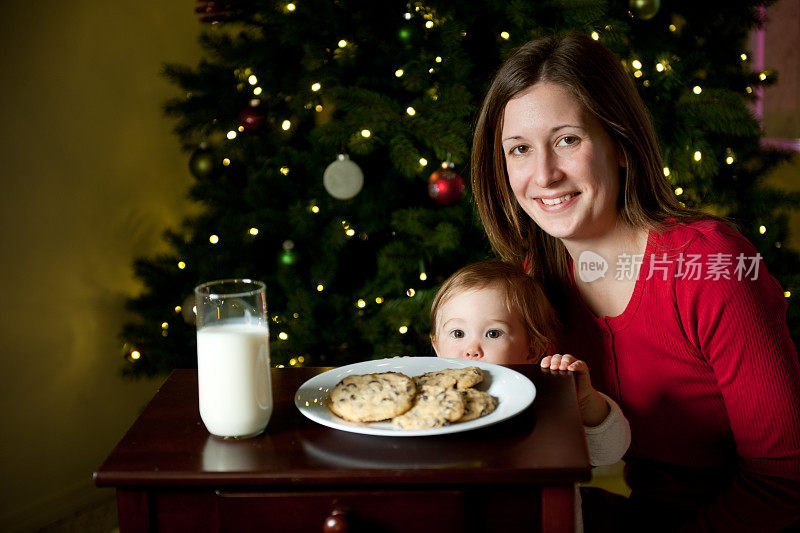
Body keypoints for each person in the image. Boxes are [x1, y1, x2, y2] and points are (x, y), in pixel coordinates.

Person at [470, 33, 800, 532]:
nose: (544, 174)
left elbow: (785, 482)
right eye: (519, 149)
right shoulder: (538, 281)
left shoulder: (711, 267)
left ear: (620, 145)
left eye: (568, 140)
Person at [430, 259, 632, 531]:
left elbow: (610, 452)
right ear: (436, 346)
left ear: (533, 349)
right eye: (457, 333)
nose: (471, 349)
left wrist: (584, 399)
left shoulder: (548, 398)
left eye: (493, 333)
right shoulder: (430, 403)